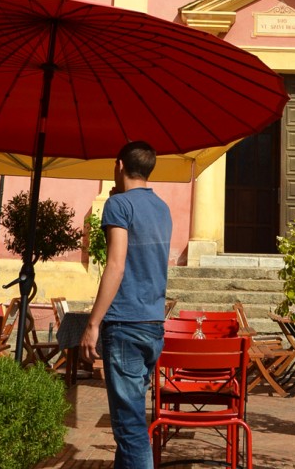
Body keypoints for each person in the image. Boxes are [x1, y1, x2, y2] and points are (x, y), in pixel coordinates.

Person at [80, 140, 172, 469]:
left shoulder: (119, 206)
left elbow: (116, 265)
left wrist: (92, 324)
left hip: (125, 325)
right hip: (152, 325)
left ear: (119, 166)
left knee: (129, 428)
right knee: (130, 420)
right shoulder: (162, 208)